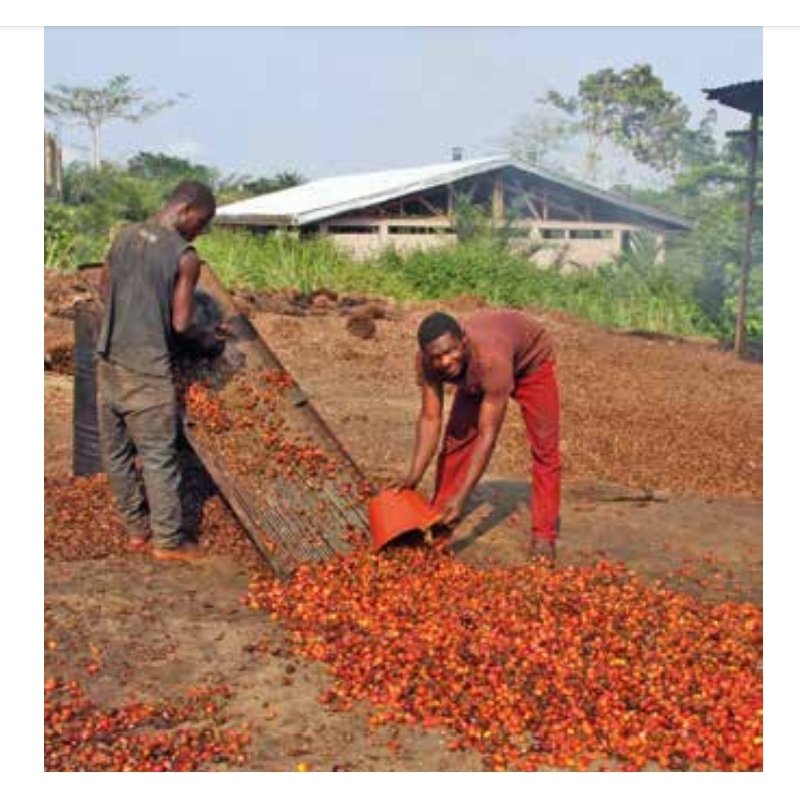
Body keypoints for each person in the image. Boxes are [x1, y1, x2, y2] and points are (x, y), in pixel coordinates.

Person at [96, 180, 217, 562]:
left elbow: (104, 293)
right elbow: (181, 324)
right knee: (158, 456)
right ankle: (168, 541)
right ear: (187, 208)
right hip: (148, 372)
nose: (201, 230)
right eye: (202, 221)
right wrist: (209, 338)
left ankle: (136, 531)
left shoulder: (122, 236)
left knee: (116, 453)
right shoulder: (184, 256)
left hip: (109, 362)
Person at [394, 310, 562, 562]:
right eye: (437, 357)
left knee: (545, 450)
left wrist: (463, 498)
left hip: (530, 363)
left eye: (450, 351)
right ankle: (440, 519)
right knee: (457, 440)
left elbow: (487, 434)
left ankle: (544, 535)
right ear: (426, 355)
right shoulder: (429, 362)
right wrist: (413, 475)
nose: (445, 361)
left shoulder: (489, 360)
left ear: (463, 341)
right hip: (478, 369)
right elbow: (430, 418)